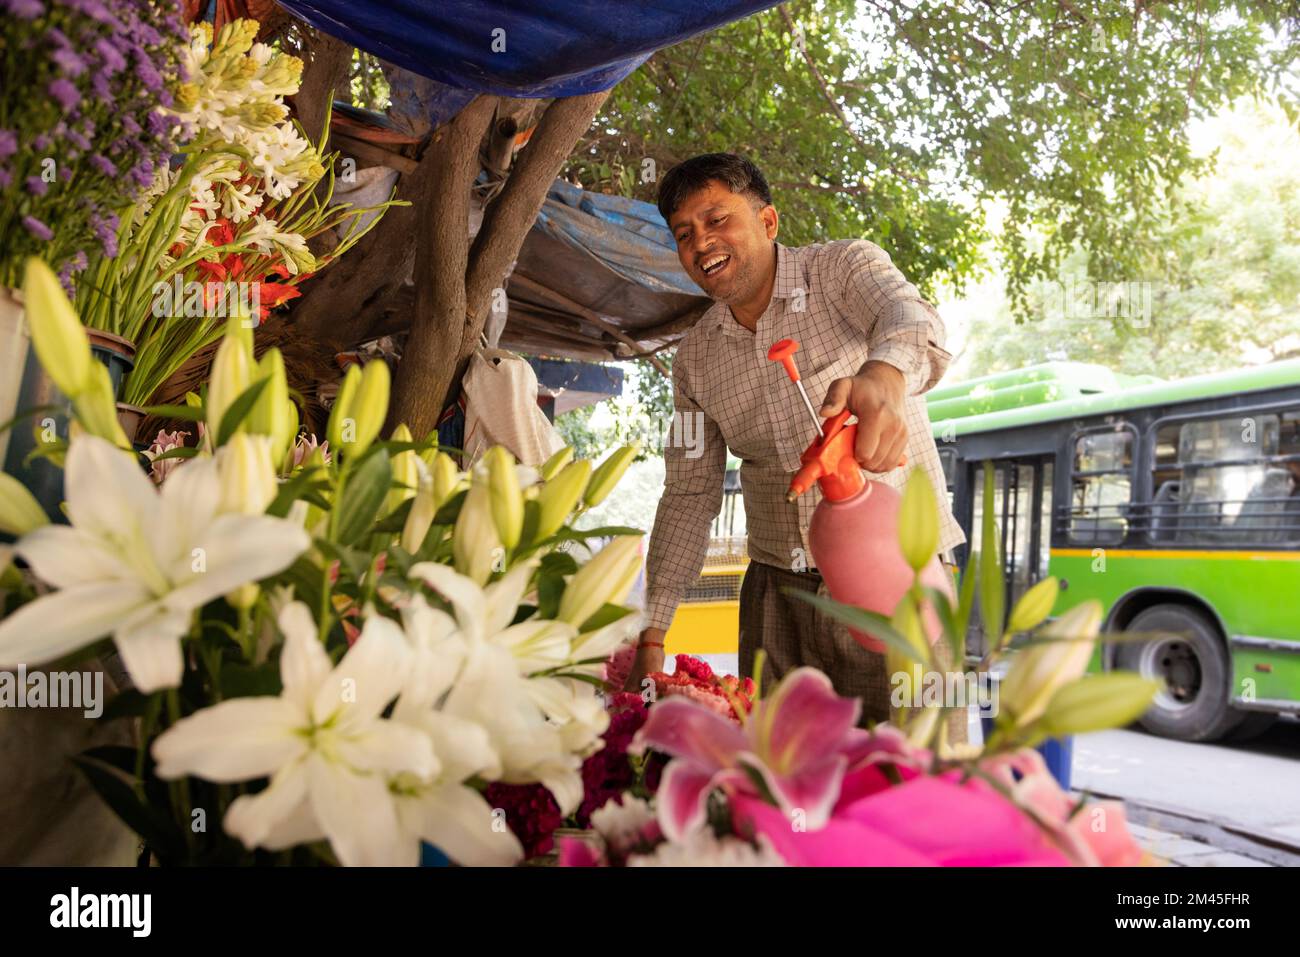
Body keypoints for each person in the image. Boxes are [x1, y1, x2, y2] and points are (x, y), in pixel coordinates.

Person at [625, 153, 966, 733]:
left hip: (900, 579)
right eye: (685, 234)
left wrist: (884, 374)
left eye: (717, 219)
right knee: (779, 786)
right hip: (778, 599)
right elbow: (687, 492)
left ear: (768, 222)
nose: (701, 242)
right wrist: (653, 630)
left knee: (918, 780)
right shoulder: (694, 362)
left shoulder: (842, 270)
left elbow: (910, 316)